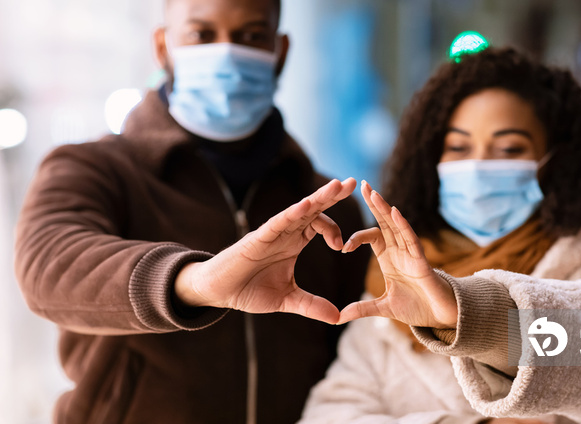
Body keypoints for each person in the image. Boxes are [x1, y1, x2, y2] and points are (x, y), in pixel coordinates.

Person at [13, 0, 369, 422]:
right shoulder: (95, 168)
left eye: (251, 36)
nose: (227, 52)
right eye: (201, 35)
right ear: (163, 47)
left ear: (281, 50)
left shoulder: (324, 205)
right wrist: (196, 283)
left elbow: (356, 356)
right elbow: (49, 266)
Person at [299, 47, 581, 424]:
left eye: (509, 148)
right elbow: (329, 412)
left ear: (555, 162)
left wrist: (474, 316)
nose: (478, 165)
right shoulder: (399, 269)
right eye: (458, 147)